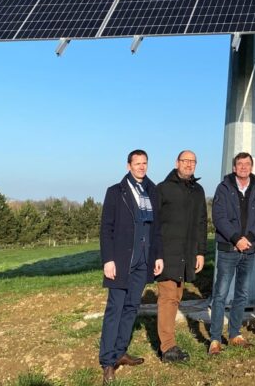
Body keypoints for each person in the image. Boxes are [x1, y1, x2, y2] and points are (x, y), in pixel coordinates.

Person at [99, 150, 164, 383]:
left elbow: (156, 228)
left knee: (131, 308)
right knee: (115, 310)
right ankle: (107, 362)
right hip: (121, 261)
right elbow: (106, 228)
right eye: (137, 163)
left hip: (143, 261)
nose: (141, 167)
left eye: (145, 163)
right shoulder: (116, 192)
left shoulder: (152, 191)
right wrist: (108, 259)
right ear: (128, 166)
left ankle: (120, 353)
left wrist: (157, 256)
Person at [208, 151, 255, 354]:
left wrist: (250, 238)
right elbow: (219, 216)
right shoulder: (224, 187)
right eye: (239, 164)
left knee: (242, 294)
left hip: (249, 249)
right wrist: (236, 238)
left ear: (252, 167)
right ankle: (215, 339)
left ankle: (234, 333)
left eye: (247, 164)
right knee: (221, 294)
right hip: (228, 248)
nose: (243, 167)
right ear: (234, 168)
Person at [155, 150, 207, 363]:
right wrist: (156, 254)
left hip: (187, 253)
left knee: (176, 297)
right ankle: (167, 348)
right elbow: (155, 224)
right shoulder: (163, 189)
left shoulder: (198, 190)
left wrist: (201, 251)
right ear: (177, 162)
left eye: (192, 161)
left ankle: (169, 342)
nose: (188, 164)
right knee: (167, 298)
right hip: (168, 253)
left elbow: (202, 222)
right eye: (185, 161)